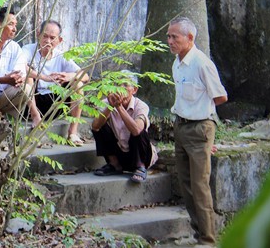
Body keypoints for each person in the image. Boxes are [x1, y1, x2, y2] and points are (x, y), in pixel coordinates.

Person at [167, 16, 227, 246]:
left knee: (200, 186)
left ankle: (208, 239)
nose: (170, 41)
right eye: (169, 36)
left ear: (190, 38)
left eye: (175, 37)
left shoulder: (201, 63)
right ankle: (197, 233)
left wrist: (206, 130)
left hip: (199, 127)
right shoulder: (177, 62)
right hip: (181, 126)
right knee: (185, 183)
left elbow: (220, 96)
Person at [22, 20, 89, 144]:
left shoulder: (61, 56)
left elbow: (85, 76)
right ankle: (35, 117)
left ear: (59, 40)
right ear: (38, 34)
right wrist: (44, 77)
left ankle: (73, 132)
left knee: (78, 83)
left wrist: (70, 76)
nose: (48, 41)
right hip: (32, 103)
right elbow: (20, 66)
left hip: (55, 104)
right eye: (45, 36)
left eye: (52, 38)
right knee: (28, 76)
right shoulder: (28, 50)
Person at [91, 71, 158, 183]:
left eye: (126, 85)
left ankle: (140, 167)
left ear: (134, 90)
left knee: (138, 128)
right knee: (100, 125)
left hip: (140, 154)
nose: (121, 88)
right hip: (120, 152)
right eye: (118, 85)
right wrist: (110, 107)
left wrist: (119, 107)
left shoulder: (141, 106)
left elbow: (136, 130)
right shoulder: (106, 102)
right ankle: (114, 164)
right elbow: (95, 127)